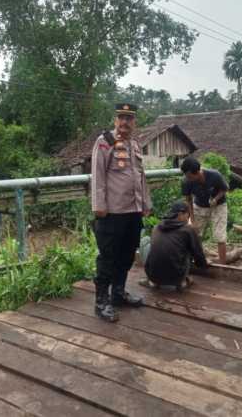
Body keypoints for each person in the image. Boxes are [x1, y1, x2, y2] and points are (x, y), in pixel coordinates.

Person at [91, 103, 152, 322]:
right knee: (108, 257)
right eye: (121, 117)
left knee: (127, 254)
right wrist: (99, 205)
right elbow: (97, 175)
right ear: (115, 119)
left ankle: (118, 293)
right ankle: (101, 302)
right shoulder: (105, 142)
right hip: (112, 212)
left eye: (129, 118)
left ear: (135, 122)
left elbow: (140, 175)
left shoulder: (135, 144)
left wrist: (146, 202)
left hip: (133, 210)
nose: (125, 122)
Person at [143, 201, 208, 289]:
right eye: (188, 215)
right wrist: (204, 265)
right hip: (176, 277)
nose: (188, 219)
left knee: (146, 241)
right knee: (188, 247)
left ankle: (152, 280)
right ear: (181, 214)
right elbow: (198, 255)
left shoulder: (156, 227)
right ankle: (182, 281)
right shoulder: (188, 230)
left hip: (153, 276)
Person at [181, 157, 229, 263]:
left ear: (197, 172)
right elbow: (188, 200)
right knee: (194, 233)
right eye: (186, 175)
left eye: (189, 176)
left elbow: (225, 189)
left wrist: (216, 199)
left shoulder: (215, 175)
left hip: (218, 206)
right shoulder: (186, 181)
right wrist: (192, 220)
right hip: (199, 205)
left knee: (220, 236)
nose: (187, 178)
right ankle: (199, 261)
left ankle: (223, 266)